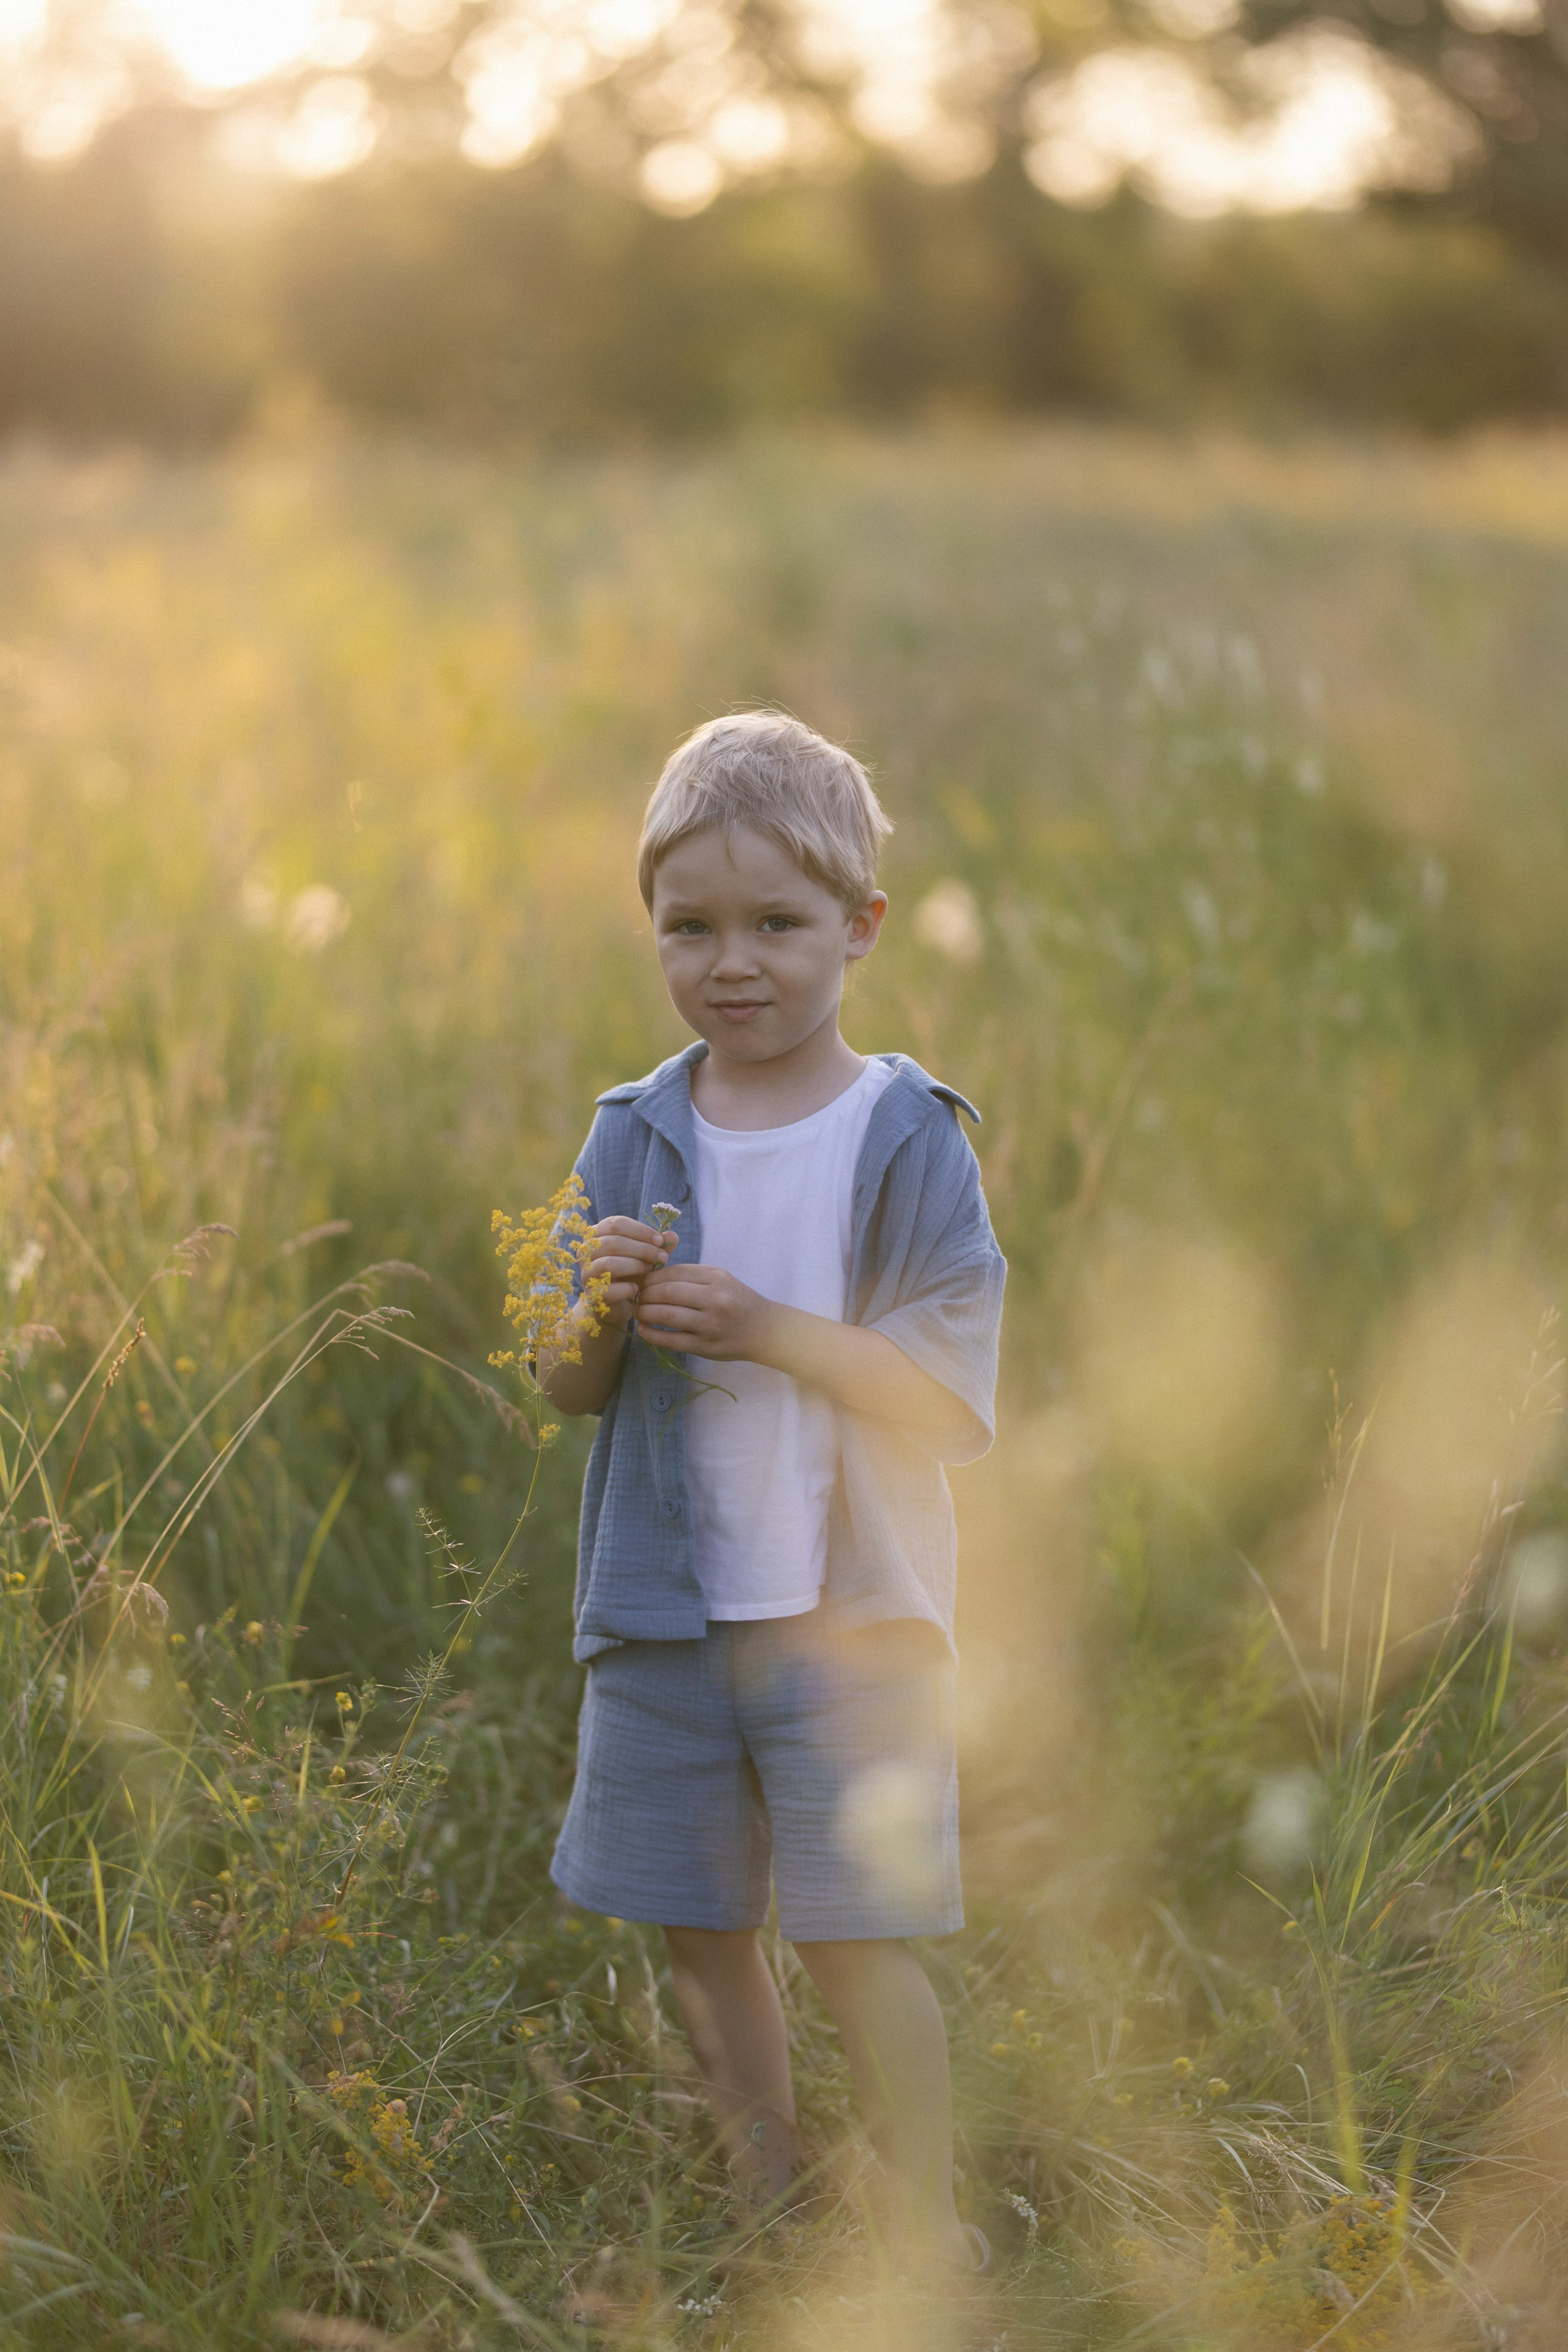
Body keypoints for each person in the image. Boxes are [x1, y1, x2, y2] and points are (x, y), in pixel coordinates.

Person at [538, 710, 1006, 2275]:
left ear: (859, 928)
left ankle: (925, 2224)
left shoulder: (903, 1137)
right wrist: (594, 1313)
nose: (731, 963)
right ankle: (764, 2193)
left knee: (856, 1934)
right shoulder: (632, 1130)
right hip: (668, 1610)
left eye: (776, 925)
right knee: (698, 1921)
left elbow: (943, 1400)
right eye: (691, 928)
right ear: (653, 931)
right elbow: (562, 1386)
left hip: (850, 1619)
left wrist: (767, 1333)